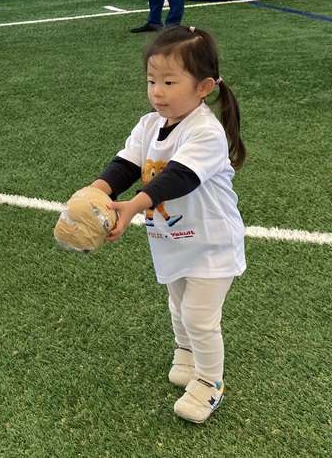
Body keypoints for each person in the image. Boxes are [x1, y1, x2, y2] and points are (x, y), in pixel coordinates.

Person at [92, 26, 246, 424]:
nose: (157, 92)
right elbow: (126, 164)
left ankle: (210, 382)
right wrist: (98, 189)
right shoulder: (149, 124)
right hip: (173, 240)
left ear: (204, 87)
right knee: (178, 304)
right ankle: (187, 352)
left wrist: (132, 207)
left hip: (212, 243)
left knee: (198, 315)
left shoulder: (205, 131)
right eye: (151, 81)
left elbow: (178, 177)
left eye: (169, 82)